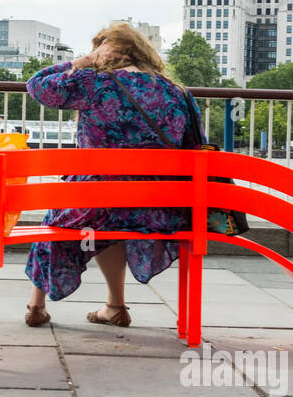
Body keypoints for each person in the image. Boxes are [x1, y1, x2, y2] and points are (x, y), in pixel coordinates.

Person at [22, 22, 196, 328]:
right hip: (159, 207)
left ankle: (36, 305)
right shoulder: (175, 92)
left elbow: (37, 85)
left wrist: (80, 62)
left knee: (63, 216)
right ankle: (115, 307)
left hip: (97, 202)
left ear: (105, 52)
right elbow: (191, 147)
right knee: (112, 215)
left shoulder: (95, 83)